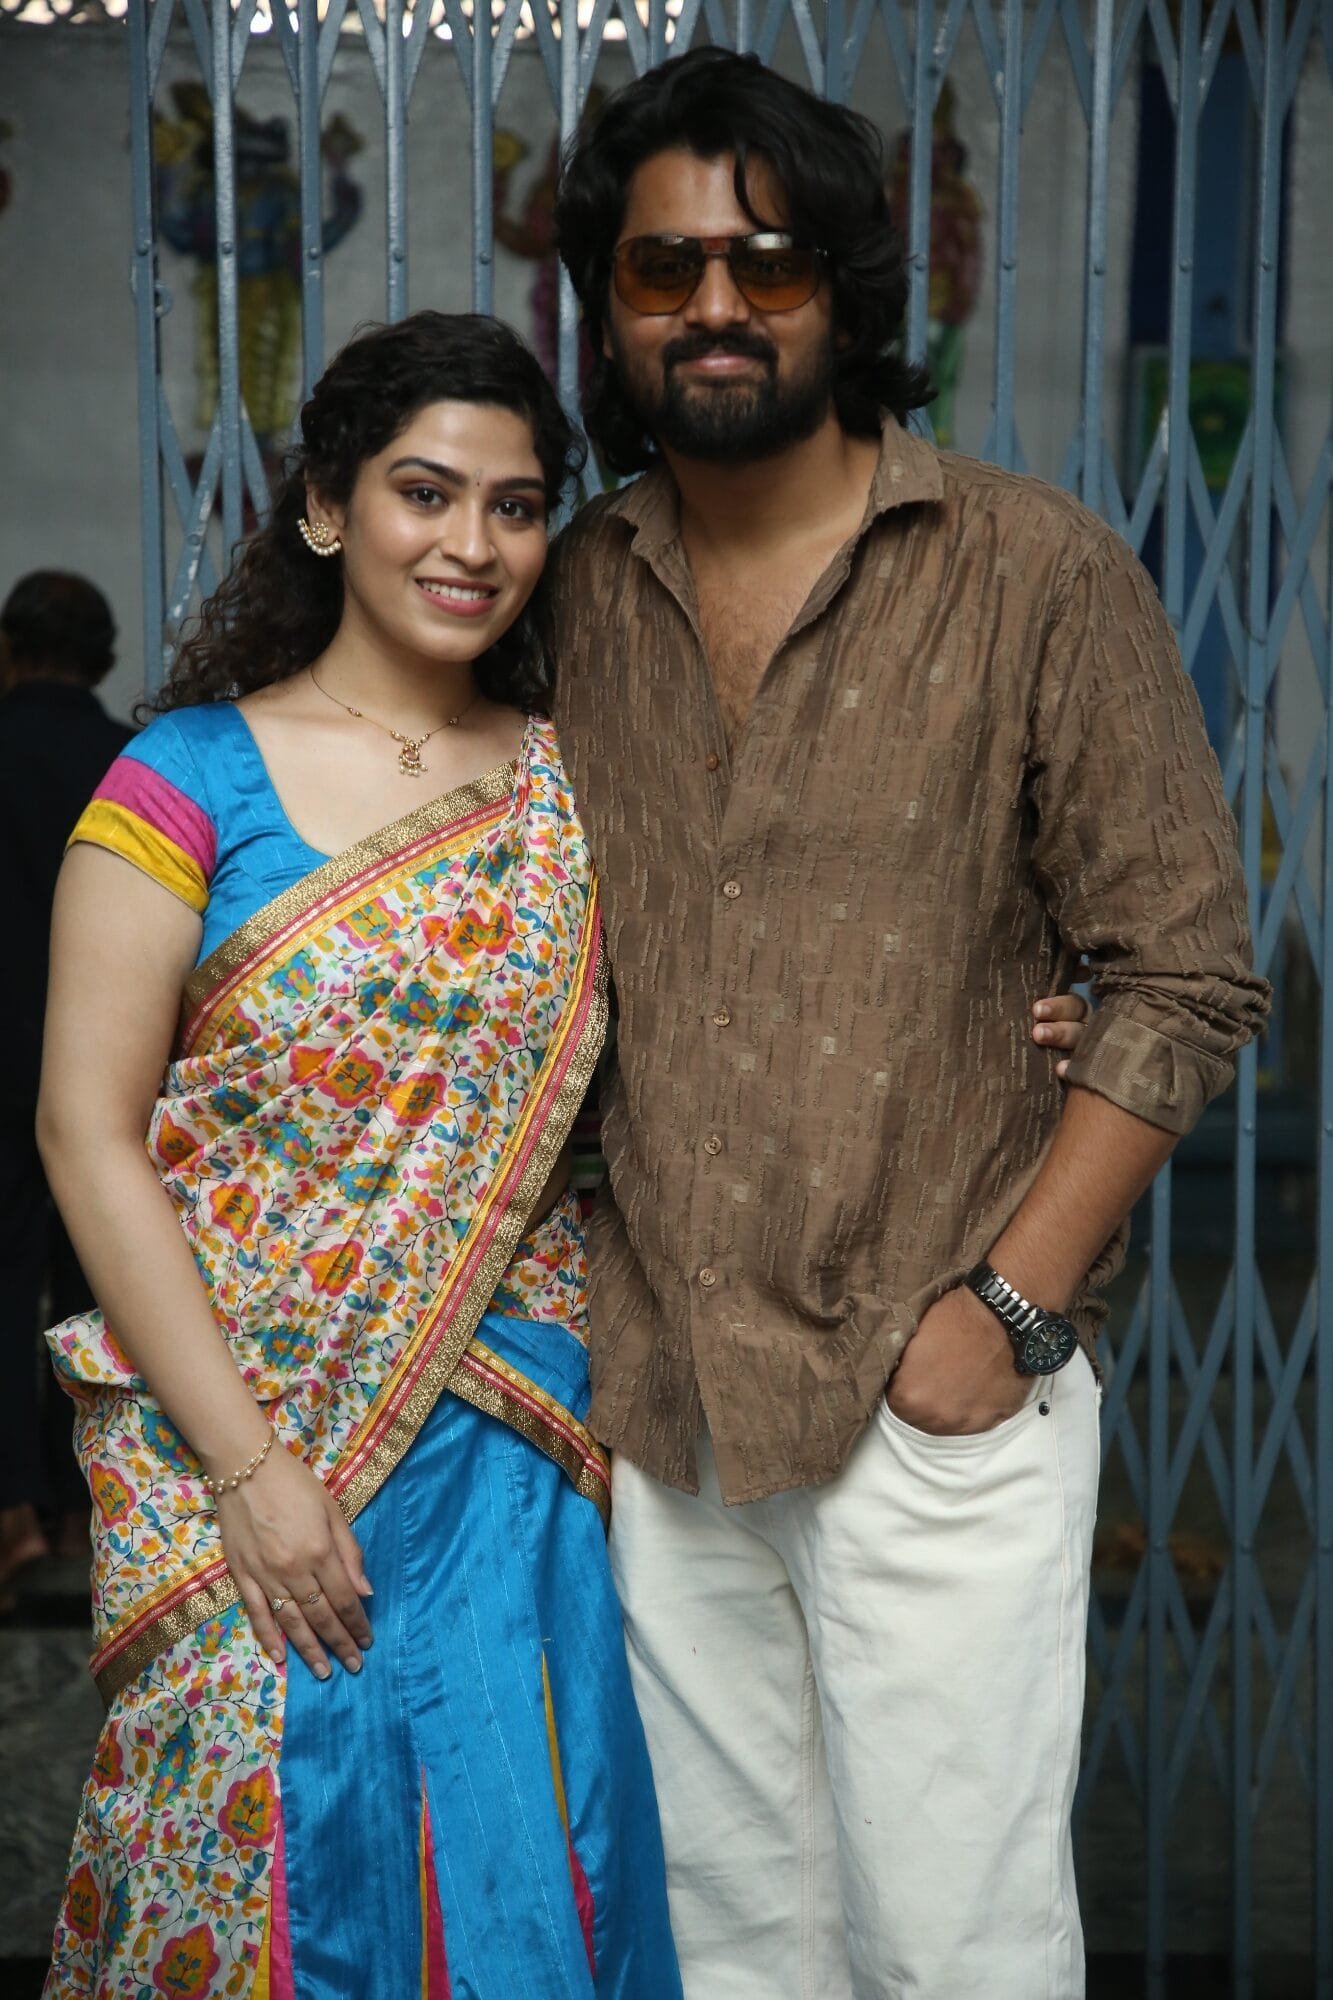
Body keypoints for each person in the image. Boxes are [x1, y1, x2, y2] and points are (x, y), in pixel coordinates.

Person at [550, 47, 1270, 2000]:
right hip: (665, 1407)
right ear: (608, 304)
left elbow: (1184, 968)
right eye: (663, 265)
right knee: (731, 1946)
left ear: (847, 291)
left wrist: (1005, 1316)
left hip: (928, 1387)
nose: (713, 303)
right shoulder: (573, 593)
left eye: (766, 262)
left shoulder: (1034, 572)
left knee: (956, 1952)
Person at [37, 313, 681, 1998]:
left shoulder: (584, 787)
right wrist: (250, 1471)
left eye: (517, 506)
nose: (473, 544)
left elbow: (722, 1033)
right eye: (424, 492)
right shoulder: (183, 780)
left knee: (517, 1870)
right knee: (248, 1870)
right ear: (327, 506)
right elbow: (85, 1133)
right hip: (236, 1425)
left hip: (509, 1441)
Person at [0, 572, 132, 1609]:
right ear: (105, 658)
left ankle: (13, 1518)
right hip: (110, 1065)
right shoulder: (131, 764)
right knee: (103, 1283)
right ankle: (95, 1506)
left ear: (9, 650)